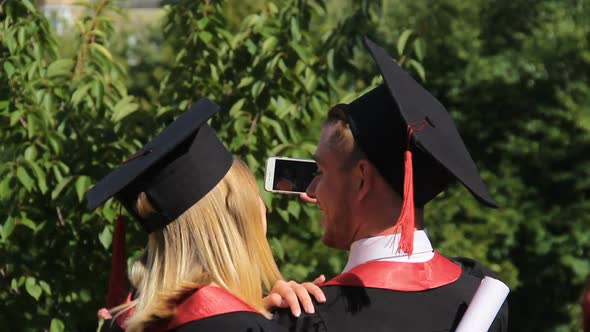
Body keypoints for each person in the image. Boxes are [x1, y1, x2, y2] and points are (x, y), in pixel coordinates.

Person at [273, 37, 509, 331]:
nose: (309, 192)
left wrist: (254, 316)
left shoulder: (310, 318)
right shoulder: (479, 301)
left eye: (320, 172)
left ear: (361, 179)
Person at [86, 98, 322, 332]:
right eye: (253, 197)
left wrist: (254, 310)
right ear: (235, 219)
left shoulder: (122, 324)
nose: (264, 208)